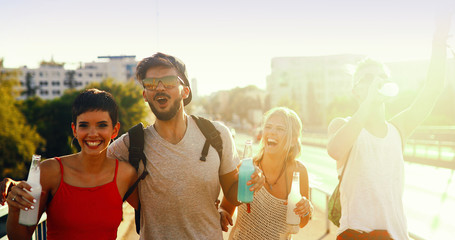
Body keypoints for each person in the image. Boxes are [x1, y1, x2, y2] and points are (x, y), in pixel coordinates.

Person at [106, 52, 265, 239]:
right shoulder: (131, 143)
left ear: (185, 90)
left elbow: (232, 192)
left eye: (169, 81)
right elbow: (90, 166)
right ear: (145, 95)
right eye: (150, 83)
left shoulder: (216, 135)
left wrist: (252, 181)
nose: (159, 88)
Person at [326, 14, 452, 240]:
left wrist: (438, 41)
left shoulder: (398, 128)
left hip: (396, 236)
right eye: (368, 78)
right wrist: (367, 104)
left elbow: (432, 89)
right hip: (357, 234)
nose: (376, 81)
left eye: (381, 77)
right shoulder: (343, 125)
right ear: (356, 90)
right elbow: (335, 150)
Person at [5, 89, 138, 240]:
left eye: (102, 125)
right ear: (74, 130)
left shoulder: (126, 174)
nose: (93, 133)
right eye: (84, 125)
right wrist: (15, 209)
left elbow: (155, 212)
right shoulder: (49, 171)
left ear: (114, 130)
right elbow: (20, 236)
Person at [219, 107, 313, 239]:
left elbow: (302, 222)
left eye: (280, 129)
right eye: (268, 127)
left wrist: (305, 209)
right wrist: (221, 213)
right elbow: (225, 209)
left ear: (293, 140)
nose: (272, 132)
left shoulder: (299, 172)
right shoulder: (247, 167)